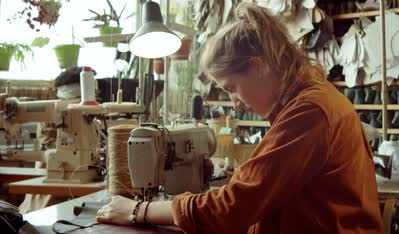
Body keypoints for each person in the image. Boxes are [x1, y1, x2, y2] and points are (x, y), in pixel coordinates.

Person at [97, 3, 383, 233]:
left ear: (257, 67)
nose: (234, 104)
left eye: (232, 88)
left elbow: (233, 208)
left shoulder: (309, 113)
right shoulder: (311, 99)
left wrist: (137, 211)